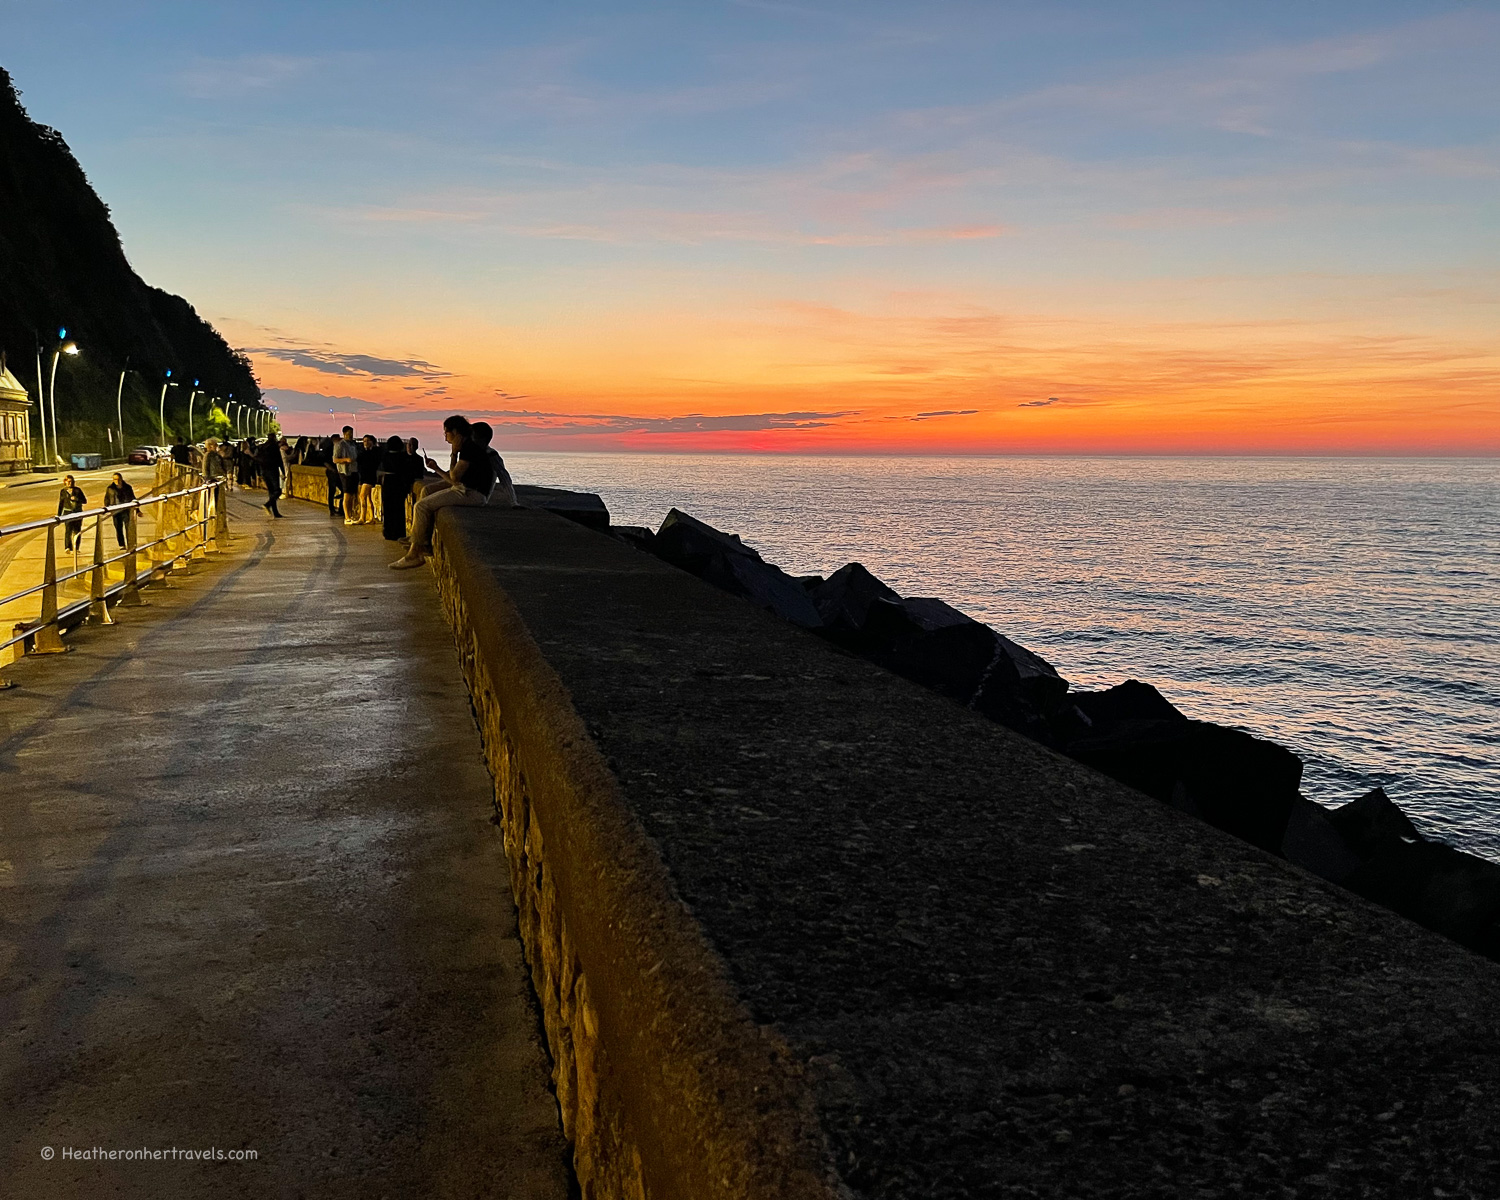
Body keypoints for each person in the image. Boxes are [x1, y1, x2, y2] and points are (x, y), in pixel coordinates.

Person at [389, 415, 493, 569]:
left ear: (456, 432)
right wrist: (436, 468)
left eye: (446, 433)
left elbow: (455, 477)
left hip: (472, 494)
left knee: (421, 507)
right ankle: (421, 542)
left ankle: (415, 554)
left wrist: (453, 453)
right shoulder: (469, 446)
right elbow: (455, 480)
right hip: (465, 489)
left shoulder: (469, 449)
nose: (445, 438)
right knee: (427, 490)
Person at [378, 435, 419, 541]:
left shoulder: (385, 456)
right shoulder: (402, 457)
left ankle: (388, 532)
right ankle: (399, 532)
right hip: (399, 483)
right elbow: (408, 470)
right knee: (399, 510)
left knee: (388, 509)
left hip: (388, 482)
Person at [469, 421, 518, 507]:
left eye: (472, 436)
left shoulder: (491, 455)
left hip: (477, 495)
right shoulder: (473, 453)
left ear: (481, 439)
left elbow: (504, 478)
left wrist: (513, 502)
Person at [332, 425, 360, 525]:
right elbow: (335, 459)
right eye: (349, 434)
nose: (351, 436)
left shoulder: (353, 444)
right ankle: (347, 516)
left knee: (353, 495)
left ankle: (351, 514)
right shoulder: (339, 445)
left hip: (354, 471)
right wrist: (345, 460)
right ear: (344, 434)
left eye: (352, 434)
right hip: (345, 472)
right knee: (347, 494)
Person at [104, 472, 137, 548]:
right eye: (115, 479)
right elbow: (107, 499)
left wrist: (137, 510)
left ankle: (130, 543)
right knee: (118, 528)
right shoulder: (110, 488)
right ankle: (121, 544)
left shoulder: (128, 487)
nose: (117, 481)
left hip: (126, 510)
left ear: (121, 479)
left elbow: (132, 497)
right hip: (115, 511)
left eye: (118, 479)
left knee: (128, 528)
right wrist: (108, 508)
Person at [356, 434, 382, 525]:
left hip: (369, 476)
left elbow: (374, 463)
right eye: (364, 441)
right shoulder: (363, 452)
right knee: (368, 498)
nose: (365, 443)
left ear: (372, 442)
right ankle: (371, 517)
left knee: (362, 496)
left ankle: (362, 517)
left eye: (367, 441)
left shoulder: (374, 452)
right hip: (363, 476)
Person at [256, 437, 285, 518]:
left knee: (271, 492)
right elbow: (279, 460)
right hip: (273, 471)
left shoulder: (262, 447)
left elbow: (258, 460)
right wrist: (283, 472)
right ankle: (267, 504)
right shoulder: (274, 447)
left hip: (264, 471)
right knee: (278, 491)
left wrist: (260, 472)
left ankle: (275, 512)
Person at [57, 475, 87, 550]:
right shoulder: (63, 491)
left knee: (77, 531)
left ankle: (76, 548)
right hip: (67, 512)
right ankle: (67, 547)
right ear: (65, 482)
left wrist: (76, 499)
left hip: (77, 512)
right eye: (68, 481)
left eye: (71, 481)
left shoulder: (78, 490)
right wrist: (59, 515)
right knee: (68, 530)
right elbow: (61, 503)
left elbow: (84, 501)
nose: (70, 483)